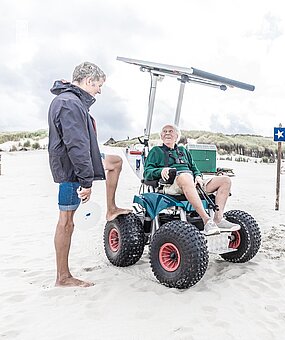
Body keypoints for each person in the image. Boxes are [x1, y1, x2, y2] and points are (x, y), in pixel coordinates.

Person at [48, 61, 130, 287]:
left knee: (115, 162)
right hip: (70, 172)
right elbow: (76, 145)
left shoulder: (70, 99)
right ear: (88, 81)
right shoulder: (69, 104)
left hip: (77, 163)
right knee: (66, 222)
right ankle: (63, 277)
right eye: (99, 85)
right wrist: (86, 182)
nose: (100, 90)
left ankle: (111, 208)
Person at [143, 124, 239, 235]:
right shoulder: (156, 151)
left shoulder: (183, 150)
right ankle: (207, 220)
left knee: (225, 180)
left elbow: (194, 168)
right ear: (161, 136)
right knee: (185, 176)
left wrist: (198, 176)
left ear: (177, 136)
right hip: (172, 184)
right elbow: (147, 173)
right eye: (164, 131)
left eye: (170, 131)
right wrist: (161, 171)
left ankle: (218, 219)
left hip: (193, 183)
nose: (167, 133)